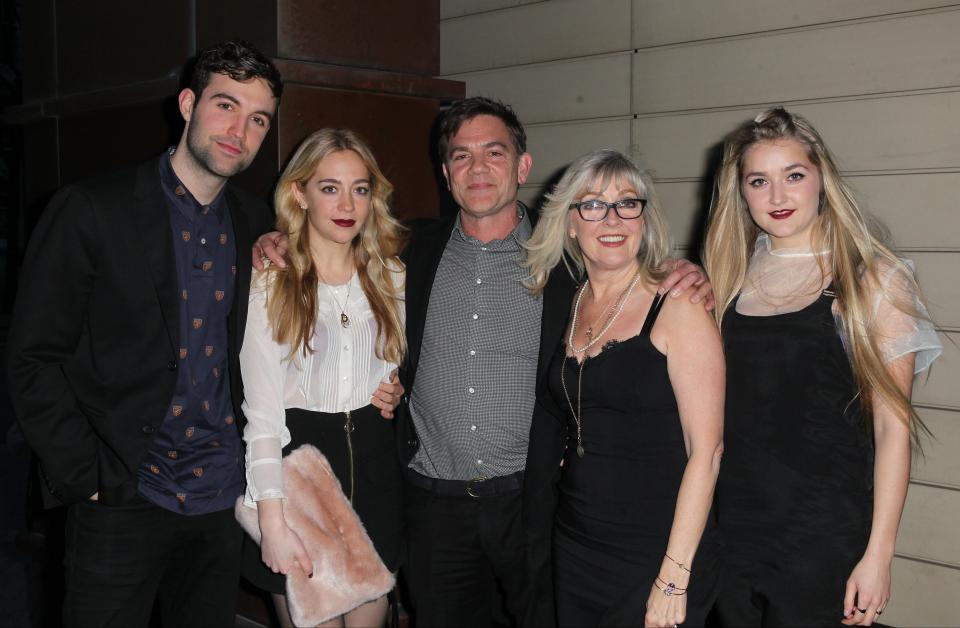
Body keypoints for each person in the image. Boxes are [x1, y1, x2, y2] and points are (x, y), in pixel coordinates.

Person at [254, 96, 712, 627]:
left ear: (522, 166)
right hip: (433, 507)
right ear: (446, 172)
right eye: (461, 155)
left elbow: (629, 265)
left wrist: (687, 271)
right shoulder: (406, 250)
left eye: (494, 153)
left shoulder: (570, 257)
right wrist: (275, 240)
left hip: (531, 503)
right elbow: (328, 244)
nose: (477, 168)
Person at [6, 41, 283, 626]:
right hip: (124, 495)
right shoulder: (90, 208)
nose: (240, 129)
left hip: (219, 501)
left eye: (258, 118)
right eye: (225, 105)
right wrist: (91, 477)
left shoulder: (256, 223)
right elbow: (31, 357)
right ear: (187, 104)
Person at [703, 108, 942, 627]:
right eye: (758, 181)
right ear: (741, 193)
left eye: (794, 176)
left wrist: (878, 556)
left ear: (821, 179)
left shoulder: (871, 279)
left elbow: (892, 429)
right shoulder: (726, 278)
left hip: (822, 537)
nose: (778, 197)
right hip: (730, 533)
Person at [521, 150, 724, 627]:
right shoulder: (570, 300)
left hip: (656, 547)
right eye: (592, 205)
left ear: (644, 218)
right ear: (570, 223)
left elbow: (708, 451)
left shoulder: (678, 304)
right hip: (577, 540)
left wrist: (673, 578)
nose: (611, 219)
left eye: (626, 203)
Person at [239, 128, 407, 628]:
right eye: (329, 187)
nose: (347, 203)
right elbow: (262, 414)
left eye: (360, 187)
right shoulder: (271, 281)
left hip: (376, 477)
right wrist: (272, 520)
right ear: (300, 193)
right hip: (299, 481)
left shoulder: (391, 273)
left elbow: (392, 367)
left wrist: (393, 387)